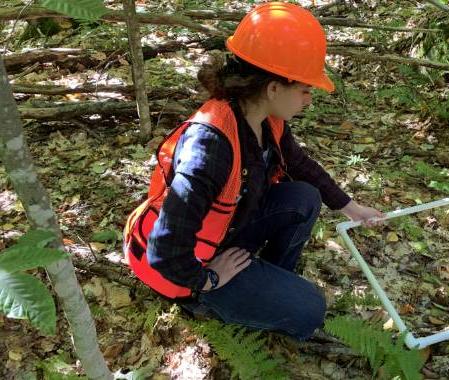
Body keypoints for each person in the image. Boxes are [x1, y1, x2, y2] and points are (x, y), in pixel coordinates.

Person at [123, 2, 383, 340]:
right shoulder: (210, 148)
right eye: (305, 89)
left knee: (304, 197)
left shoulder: (264, 116)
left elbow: (299, 165)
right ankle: (208, 302)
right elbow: (165, 249)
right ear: (273, 87)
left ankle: (266, 284)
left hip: (227, 231)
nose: (308, 99)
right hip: (190, 264)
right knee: (310, 310)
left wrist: (352, 208)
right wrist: (207, 278)